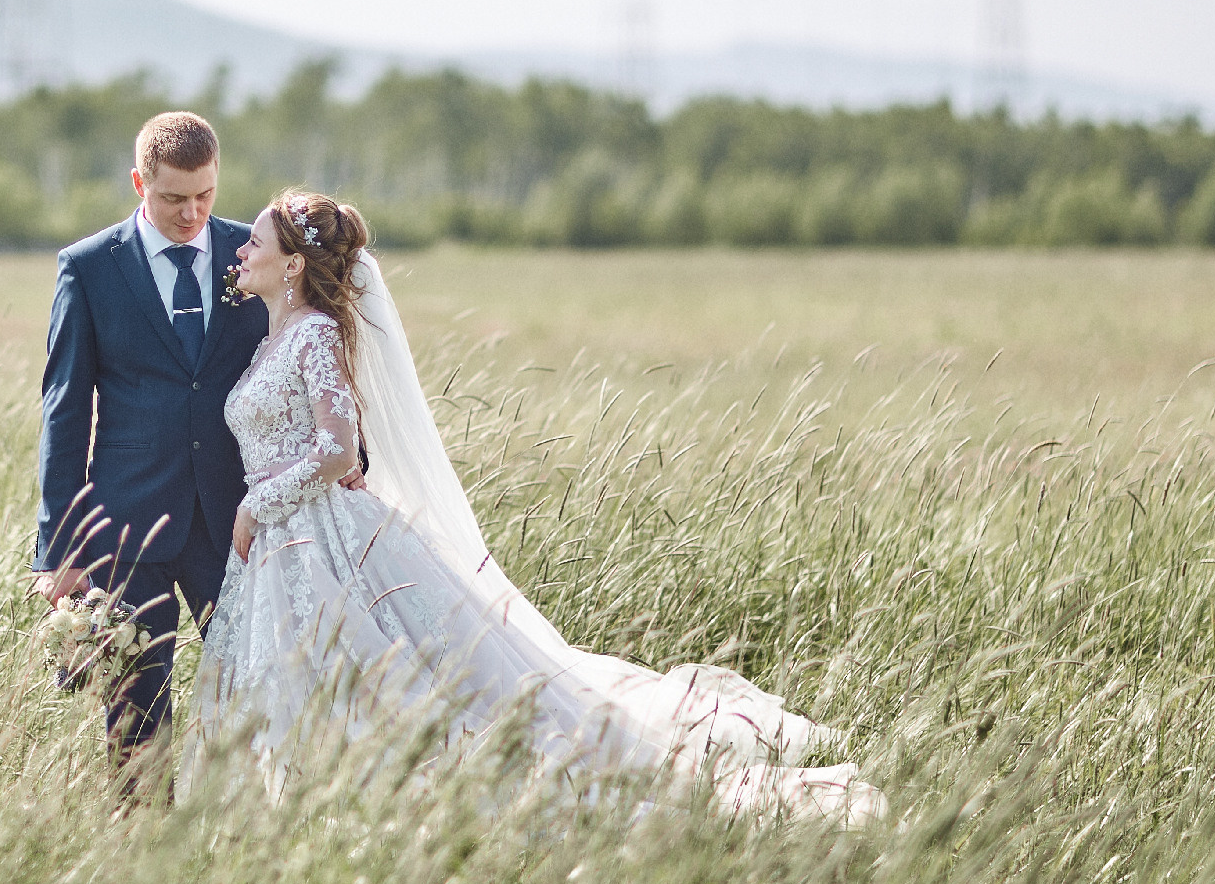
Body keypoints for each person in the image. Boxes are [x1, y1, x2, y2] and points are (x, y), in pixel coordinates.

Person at [186, 187, 887, 823]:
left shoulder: (311, 332)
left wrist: (259, 504)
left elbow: (340, 451)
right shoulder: (275, 333)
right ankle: (299, 812)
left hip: (311, 530)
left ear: (292, 266)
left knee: (372, 677)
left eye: (254, 243)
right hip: (285, 540)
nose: (239, 251)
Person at [33, 111, 273, 762]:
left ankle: (248, 847)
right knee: (135, 719)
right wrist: (59, 548)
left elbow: (306, 359)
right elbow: (64, 410)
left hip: (234, 523)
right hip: (124, 526)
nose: (192, 212)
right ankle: (142, 853)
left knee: (257, 699)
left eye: (205, 194)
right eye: (173, 197)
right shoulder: (88, 268)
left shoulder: (252, 254)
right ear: (140, 181)